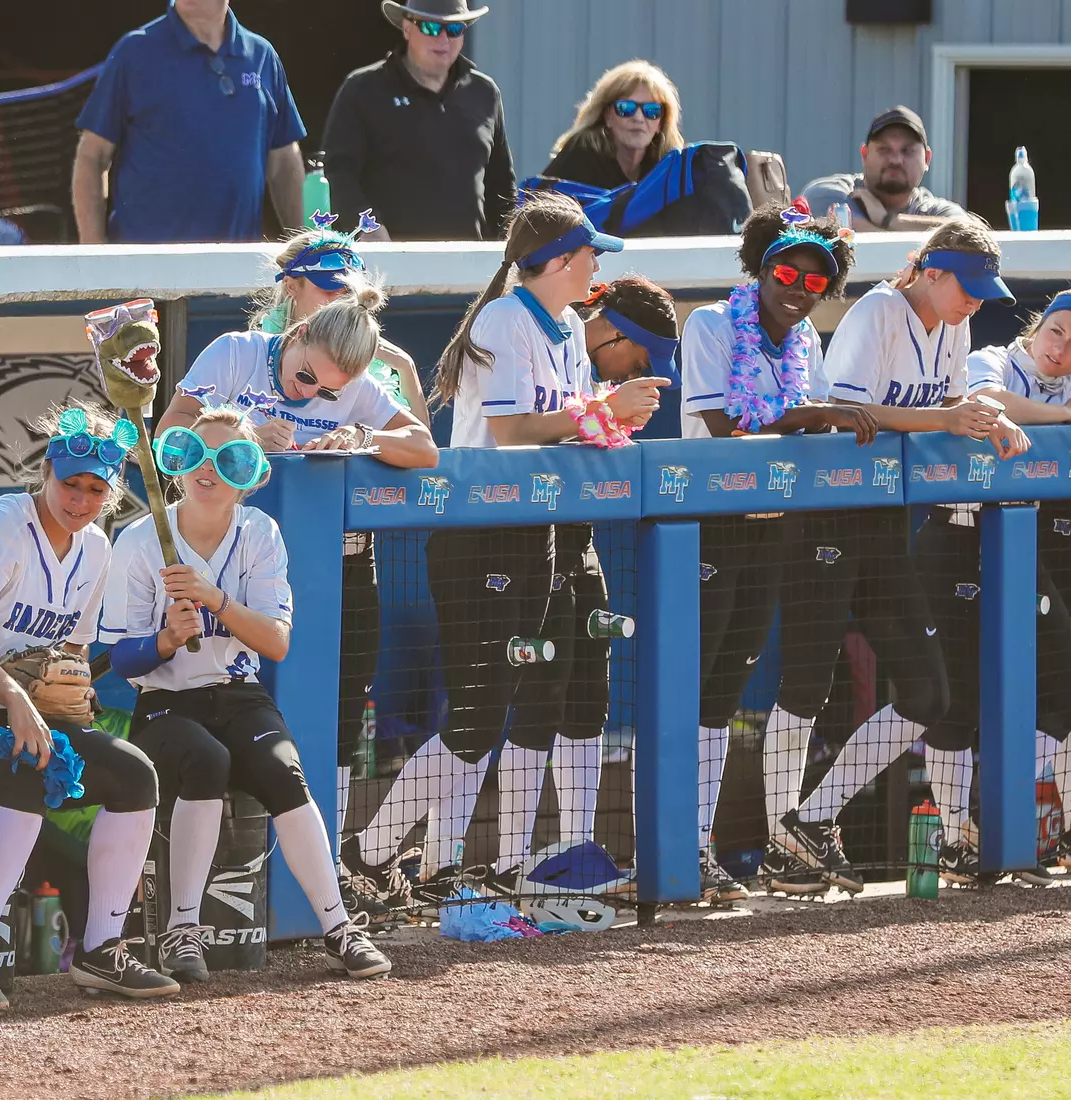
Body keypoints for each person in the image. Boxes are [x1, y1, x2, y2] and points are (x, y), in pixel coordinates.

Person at [340, 192, 669, 904]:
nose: (596, 268)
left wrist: (610, 420)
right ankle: (369, 854)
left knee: (508, 707)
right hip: (479, 533)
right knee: (476, 713)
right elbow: (515, 430)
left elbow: (570, 427)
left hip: (535, 532)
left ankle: (440, 864)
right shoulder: (503, 317)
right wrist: (605, 409)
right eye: (589, 255)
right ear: (556, 260)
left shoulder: (568, 325)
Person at [0, 402, 177, 1010]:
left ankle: (101, 949)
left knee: (134, 774)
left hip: (9, 713)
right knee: (26, 771)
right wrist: (16, 696)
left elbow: (70, 648)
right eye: (70, 483)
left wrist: (74, 690)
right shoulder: (0, 524)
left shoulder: (95, 547)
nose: (80, 499)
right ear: (46, 471)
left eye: (95, 489)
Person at [770, 220, 1026, 893]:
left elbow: (952, 404)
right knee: (806, 682)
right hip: (828, 506)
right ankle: (777, 841)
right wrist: (947, 419)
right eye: (966, 287)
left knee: (927, 692)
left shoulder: (955, 327)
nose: (974, 301)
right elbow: (846, 415)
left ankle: (810, 818)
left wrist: (989, 416)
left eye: (982, 291)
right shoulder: (879, 310)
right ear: (930, 272)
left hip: (885, 516)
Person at [102, 405, 394, 982]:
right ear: (176, 465)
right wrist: (165, 640)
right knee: (205, 761)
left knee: (284, 769)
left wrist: (214, 599)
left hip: (239, 692)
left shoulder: (259, 532)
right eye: (195, 454)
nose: (208, 469)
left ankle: (338, 927)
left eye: (229, 459)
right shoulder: (139, 539)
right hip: (165, 703)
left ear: (250, 476)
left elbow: (276, 642)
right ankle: (182, 932)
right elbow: (122, 659)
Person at [677, 205, 875, 899]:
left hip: (769, 526)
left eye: (814, 282)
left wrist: (818, 418)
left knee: (724, 697)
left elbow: (806, 428)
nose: (797, 289)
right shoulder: (710, 324)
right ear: (761, 271)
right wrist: (819, 414)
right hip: (705, 523)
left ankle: (697, 853)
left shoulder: (806, 340)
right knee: (689, 690)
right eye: (786, 274)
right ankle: (668, 851)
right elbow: (724, 423)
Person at [243, 217, 430, 913]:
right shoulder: (251, 355)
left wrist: (368, 425)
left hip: (349, 561)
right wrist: (246, 433)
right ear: (292, 289)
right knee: (265, 715)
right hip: (257, 568)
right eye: (324, 287)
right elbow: (184, 444)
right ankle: (258, 870)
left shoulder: (365, 368)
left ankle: (331, 866)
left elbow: (424, 448)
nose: (336, 299)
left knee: (346, 714)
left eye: (345, 290)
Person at [947, 290, 1071, 880]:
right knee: (954, 694)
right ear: (1037, 328)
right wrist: (1066, 418)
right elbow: (986, 401)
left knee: (1052, 679)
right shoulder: (996, 356)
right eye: (1057, 331)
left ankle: (1010, 824)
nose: (1061, 349)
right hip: (960, 535)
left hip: (1034, 539)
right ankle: (984, 825)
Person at [71, 0, 304, 244]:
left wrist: (308, 250)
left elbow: (283, 160)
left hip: (237, 261)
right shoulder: (134, 50)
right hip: (145, 262)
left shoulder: (262, 56)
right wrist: (93, 253)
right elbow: (92, 156)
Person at [157, 276, 437, 467]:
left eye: (328, 393)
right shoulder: (235, 352)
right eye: (306, 375)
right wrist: (243, 441)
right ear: (301, 332)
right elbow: (166, 432)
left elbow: (426, 448)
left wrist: (362, 436)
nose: (307, 392)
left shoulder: (358, 387)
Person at [321, 0, 512, 241]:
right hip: (388, 260)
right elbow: (339, 173)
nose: (443, 39)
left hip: (470, 259)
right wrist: (367, 228)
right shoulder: (363, 90)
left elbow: (502, 187)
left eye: (454, 29)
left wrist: (510, 245)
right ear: (407, 29)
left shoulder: (484, 93)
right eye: (431, 27)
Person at [800, 106, 966, 233]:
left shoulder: (936, 210)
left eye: (907, 150)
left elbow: (969, 232)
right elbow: (852, 237)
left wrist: (887, 219)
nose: (895, 160)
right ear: (865, 155)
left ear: (927, 159)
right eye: (884, 149)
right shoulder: (830, 194)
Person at [543, 60, 685, 190]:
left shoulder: (669, 169)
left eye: (651, 110)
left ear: (661, 122)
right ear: (607, 116)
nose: (638, 118)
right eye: (626, 108)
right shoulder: (579, 156)